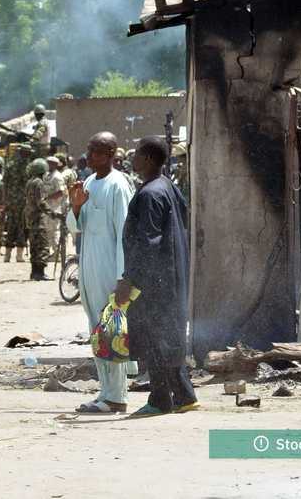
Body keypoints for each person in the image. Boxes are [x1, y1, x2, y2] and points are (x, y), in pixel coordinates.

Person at [118, 137, 197, 416]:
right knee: (167, 336)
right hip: (171, 275)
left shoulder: (151, 193)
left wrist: (128, 279)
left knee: (154, 338)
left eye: (137, 153)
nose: (133, 157)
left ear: (149, 159)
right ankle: (183, 396)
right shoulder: (168, 188)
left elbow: (147, 241)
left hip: (154, 279)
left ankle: (161, 399)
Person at [67, 132, 136, 413]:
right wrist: (76, 204)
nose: (90, 157)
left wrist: (124, 276)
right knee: (96, 328)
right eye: (89, 151)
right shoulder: (90, 183)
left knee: (111, 327)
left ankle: (116, 396)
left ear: (110, 153)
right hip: (90, 262)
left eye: (96, 152)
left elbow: (125, 233)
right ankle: (106, 392)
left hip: (111, 265)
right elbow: (76, 226)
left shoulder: (118, 185)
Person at [2, 144, 33, 263]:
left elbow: (4, 185)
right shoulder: (29, 167)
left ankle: (7, 255)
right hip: (23, 201)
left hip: (11, 201)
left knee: (11, 226)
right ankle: (19, 256)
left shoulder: (10, 165)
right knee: (21, 228)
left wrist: (4, 200)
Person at [23, 159, 52, 281]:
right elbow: (41, 202)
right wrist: (52, 213)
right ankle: (40, 273)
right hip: (38, 218)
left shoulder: (30, 182)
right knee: (43, 245)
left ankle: (34, 272)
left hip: (30, 217)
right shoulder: (39, 183)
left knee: (34, 245)